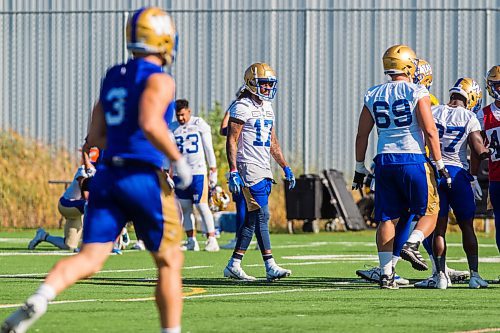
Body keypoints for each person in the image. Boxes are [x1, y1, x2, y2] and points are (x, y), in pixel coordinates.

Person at [1, 7, 191, 333]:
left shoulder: (113, 76)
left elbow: (96, 136)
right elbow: (149, 122)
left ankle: (42, 297)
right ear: (162, 38)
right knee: (169, 262)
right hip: (143, 177)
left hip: (107, 176)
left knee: (90, 258)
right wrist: (178, 159)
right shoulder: (160, 79)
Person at [353, 45, 451, 289]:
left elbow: (362, 134)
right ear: (408, 65)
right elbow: (429, 131)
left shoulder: (373, 93)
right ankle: (412, 243)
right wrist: (439, 164)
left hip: (384, 160)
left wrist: (358, 166)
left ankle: (386, 274)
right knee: (430, 211)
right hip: (412, 158)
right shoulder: (417, 90)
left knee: (387, 218)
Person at [223, 62, 296, 281]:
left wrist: (285, 166)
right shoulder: (241, 106)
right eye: (264, 84)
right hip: (248, 166)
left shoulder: (267, 107)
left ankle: (234, 264)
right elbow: (232, 140)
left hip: (264, 166)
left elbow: (273, 142)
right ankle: (270, 265)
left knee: (254, 218)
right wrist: (233, 170)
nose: (267, 88)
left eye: (270, 84)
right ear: (252, 83)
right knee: (262, 215)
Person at [415, 78, 489, 289]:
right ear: (471, 97)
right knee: (467, 226)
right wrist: (488, 151)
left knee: (439, 229)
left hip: (435, 172)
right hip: (457, 174)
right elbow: (478, 149)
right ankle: (474, 275)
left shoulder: (434, 110)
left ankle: (440, 277)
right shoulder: (469, 116)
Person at [170, 98, 220, 252]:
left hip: (198, 171)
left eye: (183, 115)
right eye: (178, 115)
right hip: (180, 173)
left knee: (201, 205)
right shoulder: (172, 128)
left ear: (189, 111)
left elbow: (208, 148)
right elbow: (168, 152)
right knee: (185, 207)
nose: (181, 118)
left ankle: (212, 239)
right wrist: (166, 171)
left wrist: (213, 169)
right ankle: (191, 240)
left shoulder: (199, 124)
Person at [27, 148, 99, 252]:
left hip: (78, 210)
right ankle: (89, 243)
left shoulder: (104, 173)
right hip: (66, 204)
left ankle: (43, 236)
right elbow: (85, 193)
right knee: (90, 205)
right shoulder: (84, 170)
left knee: (69, 246)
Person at [474, 65, 500, 255]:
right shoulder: (483, 115)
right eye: (498, 85)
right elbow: (475, 149)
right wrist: (473, 176)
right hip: (497, 177)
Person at [220, 86, 247, 250]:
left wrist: (230, 110)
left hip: (241, 162)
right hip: (257, 163)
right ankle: (259, 238)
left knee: (242, 203)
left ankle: (240, 237)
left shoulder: (241, 111)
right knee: (257, 204)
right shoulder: (261, 110)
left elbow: (224, 129)